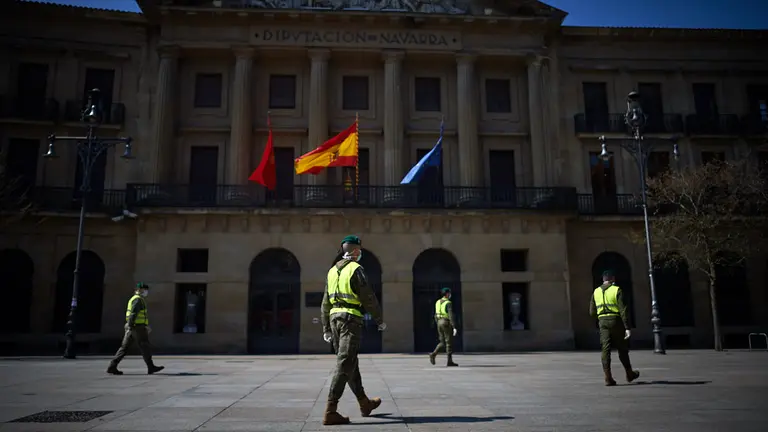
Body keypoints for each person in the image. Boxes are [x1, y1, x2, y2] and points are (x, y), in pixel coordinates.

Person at [320, 235, 386, 425]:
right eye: (360, 250)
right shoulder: (356, 269)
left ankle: (364, 403)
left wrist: (326, 327)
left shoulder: (332, 271)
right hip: (350, 320)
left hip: (335, 320)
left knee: (350, 362)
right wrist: (379, 319)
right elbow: (368, 297)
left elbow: (325, 302)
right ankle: (331, 410)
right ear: (355, 251)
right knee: (345, 362)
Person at [589, 270, 640, 386]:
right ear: (613, 279)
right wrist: (627, 327)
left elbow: (591, 312)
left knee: (605, 349)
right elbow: (623, 310)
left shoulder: (596, 292)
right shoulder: (616, 290)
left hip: (602, 321)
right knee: (622, 348)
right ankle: (629, 373)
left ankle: (608, 377)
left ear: (603, 279)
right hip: (616, 321)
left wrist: (600, 317)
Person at [107, 283, 164, 375]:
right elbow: (133, 313)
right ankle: (151, 367)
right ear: (139, 290)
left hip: (133, 327)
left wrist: (130, 326)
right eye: (145, 290)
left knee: (124, 348)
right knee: (145, 346)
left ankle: (112, 366)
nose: (146, 292)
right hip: (137, 327)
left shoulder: (134, 299)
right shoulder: (138, 300)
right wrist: (132, 325)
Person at [429, 287, 459, 367]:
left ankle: (433, 354)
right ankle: (449, 361)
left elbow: (435, 314)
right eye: (449, 293)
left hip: (439, 322)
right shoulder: (448, 303)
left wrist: (437, 322)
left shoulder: (437, 302)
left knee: (442, 342)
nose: (450, 294)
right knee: (449, 342)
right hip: (446, 322)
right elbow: (450, 315)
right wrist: (454, 326)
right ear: (447, 294)